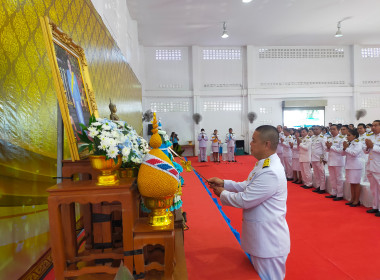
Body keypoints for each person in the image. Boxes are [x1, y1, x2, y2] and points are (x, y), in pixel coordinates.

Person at [208, 125, 290, 280]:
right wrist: (224, 183)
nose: (250, 144)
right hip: (260, 239)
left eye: (253, 140)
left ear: (267, 144)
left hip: (268, 242)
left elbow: (246, 199)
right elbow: (246, 186)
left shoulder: (270, 171)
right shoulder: (263, 164)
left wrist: (222, 194)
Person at [363, 120, 380, 216]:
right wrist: (367, 147)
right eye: (372, 125)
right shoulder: (370, 136)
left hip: (378, 166)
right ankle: (375, 206)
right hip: (370, 165)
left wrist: (373, 146)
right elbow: (365, 151)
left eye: (376, 125)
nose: (373, 127)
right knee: (373, 188)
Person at [325, 124, 345, 201]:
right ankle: (334, 192)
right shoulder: (329, 138)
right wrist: (327, 147)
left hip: (338, 161)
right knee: (332, 178)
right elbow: (327, 150)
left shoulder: (342, 139)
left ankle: (340, 194)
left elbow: (341, 150)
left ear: (338, 130)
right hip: (331, 161)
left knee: (339, 178)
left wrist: (331, 147)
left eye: (334, 129)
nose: (332, 131)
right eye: (331, 129)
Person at [343, 129, 363, 207]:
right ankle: (352, 198)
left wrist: (346, 148)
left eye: (349, 135)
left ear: (354, 136)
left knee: (356, 183)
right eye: (347, 135)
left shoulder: (358, 143)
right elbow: (345, 153)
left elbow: (354, 153)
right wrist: (345, 148)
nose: (347, 137)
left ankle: (356, 200)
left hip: (356, 166)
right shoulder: (350, 143)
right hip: (350, 165)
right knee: (352, 183)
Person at [67, 59, 85, 125]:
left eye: (69, 64)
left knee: (81, 114)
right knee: (79, 114)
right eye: (68, 64)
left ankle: (84, 129)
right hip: (74, 96)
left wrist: (80, 99)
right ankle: (83, 129)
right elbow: (69, 86)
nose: (69, 65)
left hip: (78, 96)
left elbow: (77, 86)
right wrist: (73, 98)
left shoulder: (74, 75)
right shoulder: (67, 73)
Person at [310, 126, 327, 194]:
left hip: (319, 158)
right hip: (313, 158)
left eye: (317, 129)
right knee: (316, 173)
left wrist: (324, 158)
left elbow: (325, 149)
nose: (315, 130)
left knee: (321, 173)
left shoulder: (323, 138)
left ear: (320, 130)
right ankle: (318, 186)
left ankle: (322, 188)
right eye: (314, 129)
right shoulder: (312, 137)